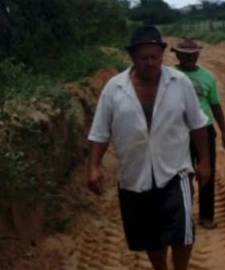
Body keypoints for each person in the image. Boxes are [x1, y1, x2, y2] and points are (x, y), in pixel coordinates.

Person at [87, 25, 211, 270]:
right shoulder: (114, 89)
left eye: (155, 56)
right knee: (150, 236)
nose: (150, 62)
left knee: (182, 232)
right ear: (132, 57)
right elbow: (100, 132)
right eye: (143, 57)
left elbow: (198, 124)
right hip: (135, 175)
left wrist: (205, 161)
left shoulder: (180, 82)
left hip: (176, 171)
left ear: (162, 55)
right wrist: (93, 166)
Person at [172, 37, 225, 229]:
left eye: (193, 54)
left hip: (205, 130)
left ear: (198, 54)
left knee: (207, 172)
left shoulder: (207, 77)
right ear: (177, 55)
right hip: (179, 131)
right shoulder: (169, 75)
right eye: (185, 54)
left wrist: (224, 132)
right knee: (183, 174)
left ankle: (206, 216)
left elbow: (215, 105)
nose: (189, 58)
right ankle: (185, 215)